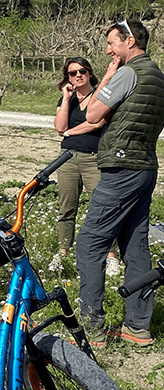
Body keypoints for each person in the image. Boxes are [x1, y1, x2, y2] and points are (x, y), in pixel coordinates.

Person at [76, 19, 164, 347]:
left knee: (90, 244)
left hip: (122, 168)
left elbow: (92, 114)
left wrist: (110, 74)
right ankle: (138, 327)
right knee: (135, 246)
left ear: (129, 40)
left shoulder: (129, 72)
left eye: (112, 42)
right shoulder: (158, 76)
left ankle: (92, 329)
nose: (108, 50)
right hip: (145, 166)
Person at [51, 57, 119, 274]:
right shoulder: (68, 99)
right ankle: (63, 251)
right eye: (72, 73)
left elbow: (96, 122)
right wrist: (65, 98)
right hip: (68, 158)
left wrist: (70, 132)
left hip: (93, 157)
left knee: (102, 206)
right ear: (67, 78)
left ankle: (110, 255)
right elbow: (59, 127)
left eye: (82, 71)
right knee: (66, 206)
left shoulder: (100, 94)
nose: (78, 75)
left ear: (89, 73)